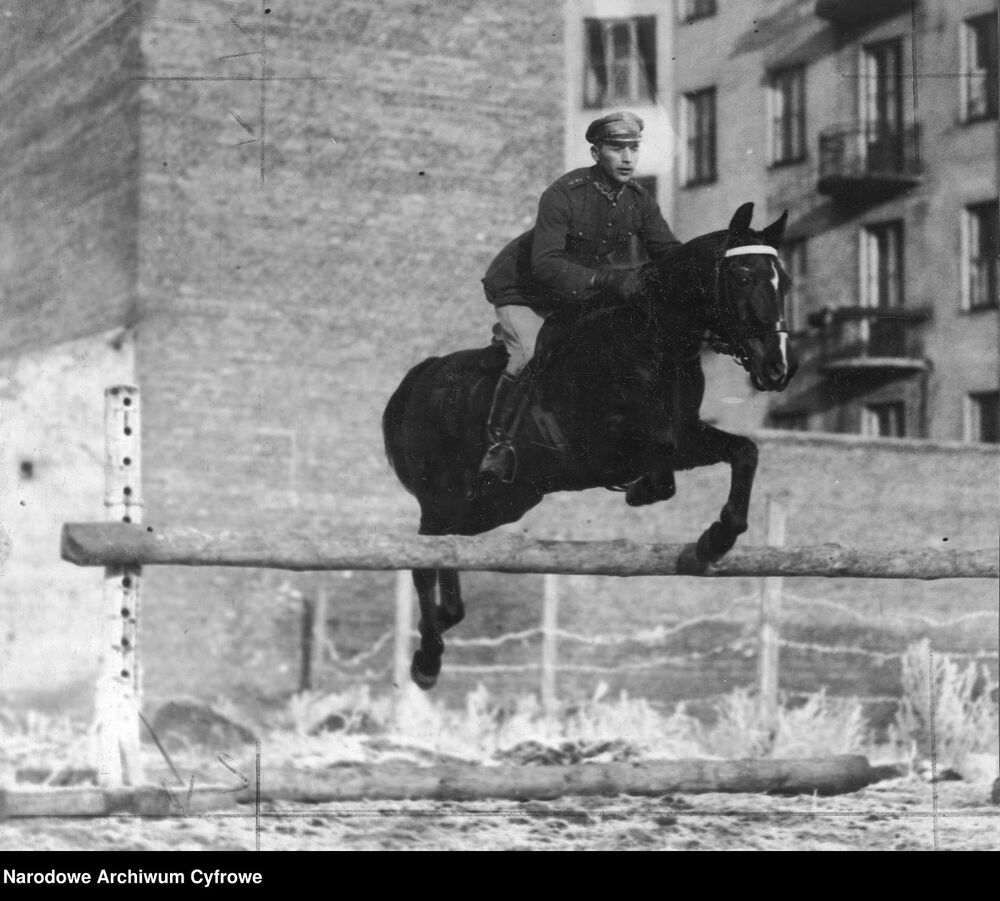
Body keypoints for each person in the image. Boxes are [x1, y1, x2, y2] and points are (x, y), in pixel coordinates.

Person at [476, 110, 681, 486]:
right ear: (595, 153)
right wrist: (607, 279)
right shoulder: (564, 194)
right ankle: (500, 446)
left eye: (633, 149)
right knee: (528, 354)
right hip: (523, 288)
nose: (627, 158)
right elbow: (545, 264)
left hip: (573, 292)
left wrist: (706, 268)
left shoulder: (639, 201)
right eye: (616, 149)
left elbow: (670, 254)